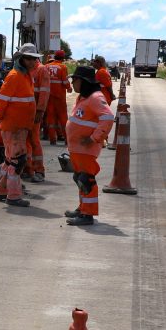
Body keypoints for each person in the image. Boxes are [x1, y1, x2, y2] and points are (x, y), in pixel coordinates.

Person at [0, 42, 40, 207]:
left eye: (34, 59)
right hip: (13, 127)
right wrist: (2, 122)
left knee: (10, 161)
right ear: (21, 59)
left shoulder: (26, 76)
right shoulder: (15, 76)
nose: (32, 62)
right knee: (17, 161)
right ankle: (13, 196)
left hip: (20, 126)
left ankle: (0, 191)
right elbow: (1, 102)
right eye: (28, 58)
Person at [64, 65, 115, 227]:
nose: (72, 84)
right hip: (78, 149)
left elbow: (108, 117)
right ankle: (82, 208)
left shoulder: (95, 97)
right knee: (80, 178)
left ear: (83, 81)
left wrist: (94, 138)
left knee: (87, 180)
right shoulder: (84, 97)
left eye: (75, 80)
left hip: (86, 149)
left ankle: (88, 214)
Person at [25, 54, 51, 183]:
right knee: (25, 141)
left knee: (34, 140)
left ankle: (39, 170)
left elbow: (44, 92)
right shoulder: (24, 70)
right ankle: (27, 168)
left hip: (34, 112)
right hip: (24, 112)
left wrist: (40, 110)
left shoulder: (41, 70)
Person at [45, 49, 71, 145]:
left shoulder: (47, 66)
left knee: (50, 117)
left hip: (49, 95)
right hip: (59, 96)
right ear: (63, 58)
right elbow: (65, 81)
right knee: (63, 117)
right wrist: (69, 88)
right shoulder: (62, 67)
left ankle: (52, 139)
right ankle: (67, 140)